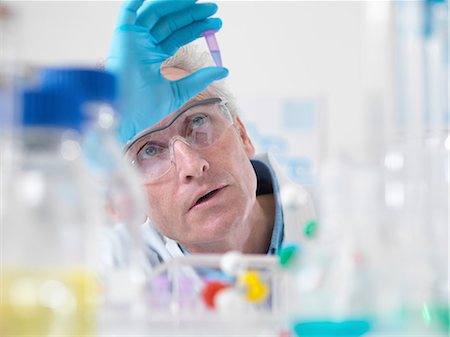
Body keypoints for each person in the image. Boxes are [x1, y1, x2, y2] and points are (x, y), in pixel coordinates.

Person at [106, 0, 315, 263]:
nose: (192, 165)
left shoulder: (342, 221)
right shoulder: (117, 263)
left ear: (242, 134)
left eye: (198, 123)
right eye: (149, 151)